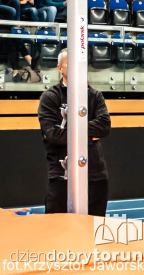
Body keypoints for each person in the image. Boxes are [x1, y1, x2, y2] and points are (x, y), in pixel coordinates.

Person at [38, 49, 111, 216]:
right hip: (62, 177)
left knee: (93, 233)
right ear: (59, 68)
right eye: (70, 64)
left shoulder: (95, 95)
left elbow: (104, 126)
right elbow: (54, 136)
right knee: (57, 233)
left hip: (95, 176)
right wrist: (89, 136)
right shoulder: (50, 97)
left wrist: (70, 131)